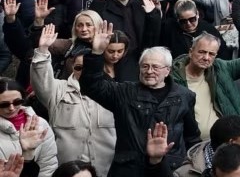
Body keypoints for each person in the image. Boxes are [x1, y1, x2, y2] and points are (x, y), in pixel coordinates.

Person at [80, 21, 200, 177]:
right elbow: (91, 86)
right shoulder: (123, 92)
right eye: (145, 66)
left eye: (155, 67)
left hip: (169, 170)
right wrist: (96, 54)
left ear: (167, 70)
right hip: (129, 170)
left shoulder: (185, 96)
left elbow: (192, 137)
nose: (149, 71)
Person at [30, 26, 116, 175]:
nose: (83, 71)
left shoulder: (114, 92)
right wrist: (43, 50)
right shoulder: (58, 89)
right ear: (72, 67)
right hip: (66, 171)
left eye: (88, 67)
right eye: (79, 67)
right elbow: (41, 79)